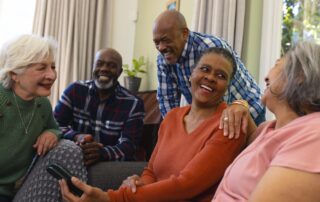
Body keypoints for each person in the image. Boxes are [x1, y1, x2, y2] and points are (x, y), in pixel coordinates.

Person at [59, 47, 246, 202]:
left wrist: (112, 198)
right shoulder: (172, 117)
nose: (211, 77)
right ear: (191, 74)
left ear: (227, 86)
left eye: (221, 75)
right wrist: (140, 183)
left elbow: (186, 185)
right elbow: (151, 171)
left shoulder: (230, 124)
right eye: (204, 69)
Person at [213, 41, 320, 201]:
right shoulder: (268, 128)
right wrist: (240, 104)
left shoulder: (313, 135)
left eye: (277, 64)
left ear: (299, 76)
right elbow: (248, 139)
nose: (265, 76)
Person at [0, 34, 87, 202]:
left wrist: (52, 133)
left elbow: (54, 127)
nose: (52, 75)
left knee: (67, 148)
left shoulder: (42, 104)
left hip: (14, 190)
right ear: (14, 74)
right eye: (41, 68)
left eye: (53, 67)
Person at [153, 10, 265, 134]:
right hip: (218, 116)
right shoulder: (163, 58)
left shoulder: (211, 47)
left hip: (250, 111)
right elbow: (167, 101)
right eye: (157, 42)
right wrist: (174, 133)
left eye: (166, 40)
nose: (161, 47)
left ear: (184, 33)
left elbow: (221, 98)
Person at [54, 48, 145, 165]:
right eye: (99, 64)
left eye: (111, 66)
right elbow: (55, 126)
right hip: (75, 158)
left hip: (111, 165)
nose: (104, 69)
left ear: (120, 72)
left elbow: (129, 146)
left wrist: (102, 153)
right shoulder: (75, 90)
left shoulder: (134, 103)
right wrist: (76, 136)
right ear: (93, 67)